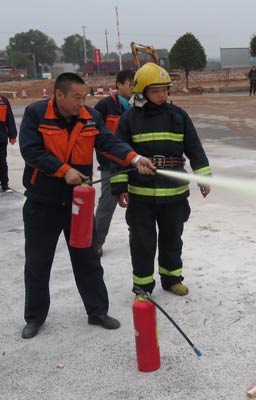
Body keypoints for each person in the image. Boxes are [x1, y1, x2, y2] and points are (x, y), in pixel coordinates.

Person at [18, 72, 156, 339]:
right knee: (37, 261)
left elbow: (108, 141)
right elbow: (31, 150)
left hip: (77, 203)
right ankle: (34, 317)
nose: (82, 103)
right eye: (77, 97)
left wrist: (135, 157)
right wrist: (63, 170)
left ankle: (97, 311)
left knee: (88, 258)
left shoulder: (90, 117)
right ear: (59, 95)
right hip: (42, 203)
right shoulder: (36, 114)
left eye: (85, 97)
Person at [111, 63, 211, 297]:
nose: (162, 94)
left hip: (174, 194)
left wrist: (203, 177)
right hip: (141, 194)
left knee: (172, 239)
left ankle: (172, 278)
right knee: (142, 243)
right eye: (156, 90)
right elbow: (118, 153)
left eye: (165, 89)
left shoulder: (179, 117)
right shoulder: (129, 119)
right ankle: (143, 287)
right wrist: (119, 186)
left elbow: (195, 148)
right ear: (142, 91)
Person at [93, 69, 135, 256]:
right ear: (119, 85)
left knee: (137, 202)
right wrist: (104, 158)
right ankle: (97, 241)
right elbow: (95, 135)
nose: (132, 88)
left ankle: (137, 236)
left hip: (132, 163)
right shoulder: (104, 106)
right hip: (111, 165)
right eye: (130, 84)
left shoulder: (135, 106)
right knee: (107, 203)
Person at [0, 95, 17, 192]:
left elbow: (9, 118)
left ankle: (4, 184)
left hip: (1, 137)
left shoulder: (4, 101)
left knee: (2, 161)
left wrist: (12, 135)